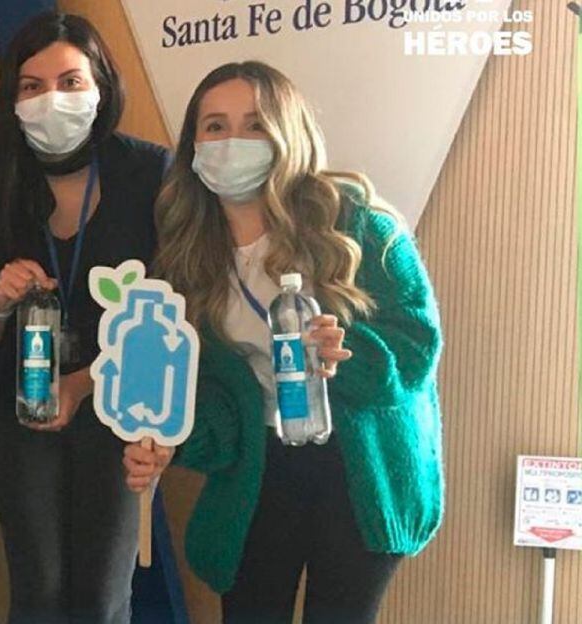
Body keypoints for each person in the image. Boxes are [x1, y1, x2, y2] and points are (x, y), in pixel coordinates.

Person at [124, 61, 443, 624]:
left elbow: (417, 346)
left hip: (359, 468)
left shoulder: (360, 226)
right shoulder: (186, 261)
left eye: (255, 124)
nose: (234, 141)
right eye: (215, 126)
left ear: (288, 131)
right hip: (258, 467)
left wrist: (349, 353)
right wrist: (173, 438)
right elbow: (210, 397)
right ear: (193, 145)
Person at [0, 12, 168, 624]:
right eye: (32, 86)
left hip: (119, 402)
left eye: (70, 82)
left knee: (101, 598)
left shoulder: (150, 174)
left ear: (101, 87)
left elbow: (173, 312)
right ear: (12, 100)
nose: (52, 99)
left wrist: (82, 383)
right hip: (16, 406)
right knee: (38, 593)